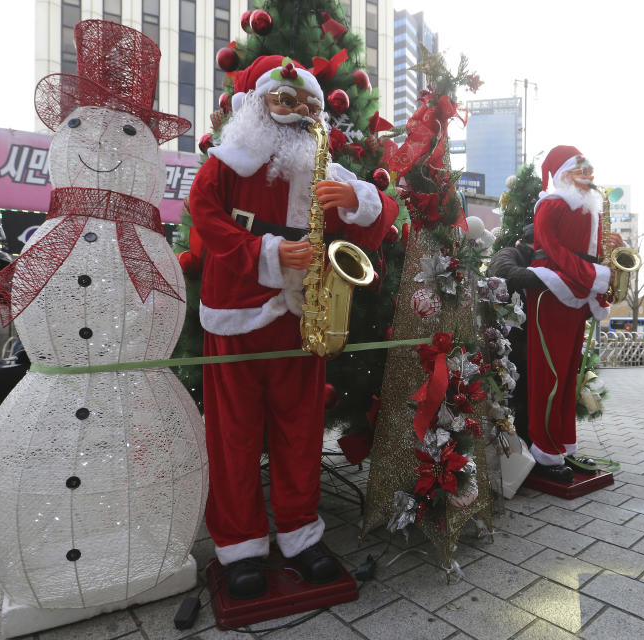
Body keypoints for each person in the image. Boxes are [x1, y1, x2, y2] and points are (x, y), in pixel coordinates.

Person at [188, 55, 397, 599]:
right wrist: (268, 252)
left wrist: (357, 199)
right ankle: (240, 547)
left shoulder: (322, 161)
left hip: (304, 316)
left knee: (300, 431)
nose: (300, 112)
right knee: (232, 435)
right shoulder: (229, 159)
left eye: (309, 104)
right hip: (238, 311)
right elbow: (204, 215)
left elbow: (382, 218)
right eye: (286, 101)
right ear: (257, 103)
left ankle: (302, 536)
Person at [524, 146, 621, 484]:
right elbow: (551, 249)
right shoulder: (550, 205)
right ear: (563, 175)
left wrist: (601, 275)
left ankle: (562, 445)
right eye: (582, 171)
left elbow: (593, 254)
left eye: (591, 171)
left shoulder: (590, 211)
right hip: (552, 291)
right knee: (548, 375)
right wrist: (592, 276)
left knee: (568, 378)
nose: (589, 178)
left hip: (577, 292)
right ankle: (544, 450)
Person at [487, 223, 542, 443]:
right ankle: (515, 443)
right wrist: (547, 275)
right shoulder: (509, 253)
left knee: (527, 395)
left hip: (529, 341)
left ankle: (528, 441)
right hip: (509, 342)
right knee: (513, 395)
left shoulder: (531, 259)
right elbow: (504, 271)